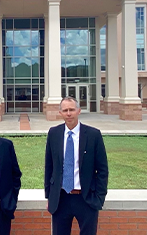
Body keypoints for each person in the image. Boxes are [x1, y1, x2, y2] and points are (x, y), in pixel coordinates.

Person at [44, 96, 109, 235]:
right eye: (65, 110)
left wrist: (99, 197)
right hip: (61, 198)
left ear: (79, 111)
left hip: (86, 199)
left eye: (72, 110)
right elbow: (49, 167)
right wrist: (49, 196)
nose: (69, 113)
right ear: (60, 113)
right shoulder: (53, 133)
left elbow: (102, 169)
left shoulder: (93, 135)